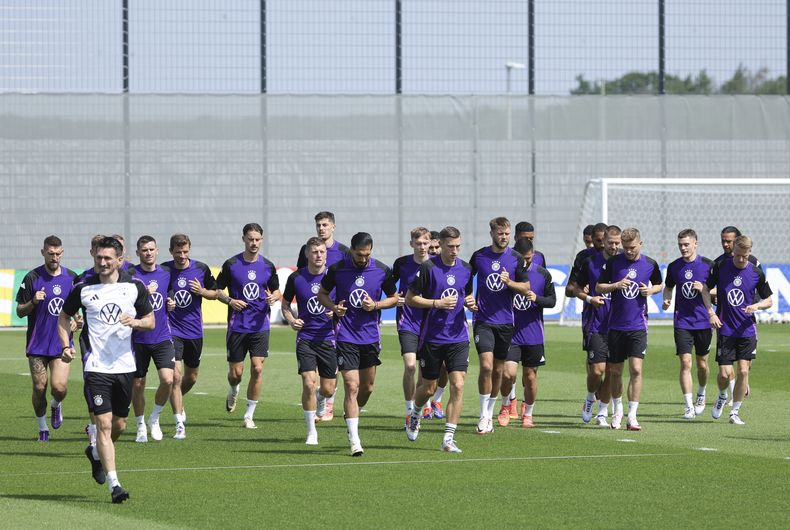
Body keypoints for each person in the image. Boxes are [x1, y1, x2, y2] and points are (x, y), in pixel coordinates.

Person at [58, 236, 154, 503]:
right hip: (95, 365)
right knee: (102, 423)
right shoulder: (83, 287)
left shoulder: (134, 287)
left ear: (120, 260)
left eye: (108, 258)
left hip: (124, 365)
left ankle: (96, 454)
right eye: (99, 258)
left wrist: (135, 322)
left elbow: (151, 321)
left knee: (119, 425)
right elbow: (64, 316)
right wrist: (65, 345)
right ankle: (115, 485)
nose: (102, 262)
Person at [318, 232, 398, 456]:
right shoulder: (337, 269)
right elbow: (322, 294)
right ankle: (354, 439)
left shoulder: (382, 270)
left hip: (370, 336)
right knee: (351, 386)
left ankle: (352, 413)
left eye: (367, 255)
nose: (363, 259)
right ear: (351, 250)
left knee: (367, 388)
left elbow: (394, 297)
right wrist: (334, 308)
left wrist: (377, 305)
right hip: (345, 336)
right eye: (359, 254)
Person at [404, 226, 476, 452]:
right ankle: (414, 414)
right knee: (427, 387)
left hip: (458, 336)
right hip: (432, 337)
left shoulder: (466, 269)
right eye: (451, 246)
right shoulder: (428, 268)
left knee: (458, 384)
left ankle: (448, 438)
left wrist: (471, 303)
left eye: (458, 246)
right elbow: (410, 298)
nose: (455, 251)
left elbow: (467, 295)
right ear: (441, 245)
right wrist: (436, 303)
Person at [215, 223, 281, 429]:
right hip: (237, 326)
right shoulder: (232, 264)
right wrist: (230, 301)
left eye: (258, 239)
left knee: (258, 368)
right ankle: (233, 391)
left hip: (260, 325)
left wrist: (273, 297)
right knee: (236, 373)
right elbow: (217, 290)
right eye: (250, 239)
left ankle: (249, 415)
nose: (254, 243)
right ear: (243, 239)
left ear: (262, 240)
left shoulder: (268, 266)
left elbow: (278, 291)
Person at [597, 227, 663, 431]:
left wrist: (650, 290)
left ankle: (632, 416)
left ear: (640, 244)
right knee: (615, 372)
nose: (628, 251)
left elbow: (660, 285)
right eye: (625, 248)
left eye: (632, 247)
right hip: (615, 326)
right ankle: (618, 410)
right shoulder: (613, 263)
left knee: (636, 369)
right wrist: (615, 285)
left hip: (638, 326)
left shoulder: (650, 264)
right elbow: (599, 286)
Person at [703, 235, 772, 425]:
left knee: (743, 371)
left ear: (749, 253)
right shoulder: (720, 268)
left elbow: (769, 300)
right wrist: (711, 313)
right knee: (725, 374)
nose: (742, 259)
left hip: (747, 329)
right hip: (725, 329)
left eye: (745, 255)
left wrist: (757, 306)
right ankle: (722, 394)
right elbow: (704, 290)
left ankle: (735, 412)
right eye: (738, 255)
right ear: (733, 251)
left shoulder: (756, 273)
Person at [469, 217, 529, 435]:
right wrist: (468, 298)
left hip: (506, 322)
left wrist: (509, 283)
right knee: (486, 366)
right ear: (492, 233)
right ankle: (483, 415)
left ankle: (491, 411)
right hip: (483, 321)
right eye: (500, 233)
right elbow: (466, 278)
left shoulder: (516, 258)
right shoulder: (479, 256)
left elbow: (526, 287)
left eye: (506, 234)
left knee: (498, 371)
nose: (503, 237)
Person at [16, 235, 79, 441]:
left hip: (61, 343)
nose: (54, 257)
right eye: (50, 253)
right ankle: (42, 427)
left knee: (59, 388)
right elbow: (20, 311)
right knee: (39, 387)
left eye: (57, 253)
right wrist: (33, 301)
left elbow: (78, 314)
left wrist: (77, 323)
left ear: (62, 253)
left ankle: (56, 405)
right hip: (37, 344)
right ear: (43, 253)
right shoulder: (32, 277)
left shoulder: (72, 278)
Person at [281, 237, 338, 445]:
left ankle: (323, 399)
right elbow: (285, 305)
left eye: (322, 252)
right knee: (308, 382)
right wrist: (291, 320)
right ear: (307, 254)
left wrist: (336, 313)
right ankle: (311, 431)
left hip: (329, 338)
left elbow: (344, 302)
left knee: (328, 388)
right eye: (314, 252)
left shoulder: (334, 277)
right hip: (305, 338)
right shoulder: (297, 278)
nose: (318, 255)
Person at [163, 233, 218, 439]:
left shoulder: (201, 269)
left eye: (185, 252)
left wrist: (202, 291)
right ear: (171, 252)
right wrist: (167, 302)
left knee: (191, 377)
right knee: (175, 377)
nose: (182, 256)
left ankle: (175, 398)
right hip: (171, 330)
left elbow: (216, 293)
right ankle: (179, 420)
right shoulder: (165, 270)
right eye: (178, 252)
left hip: (194, 331)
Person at [296, 211, 349, 420]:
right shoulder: (306, 249)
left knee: (330, 373)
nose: (321, 228)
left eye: (325, 224)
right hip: (310, 319)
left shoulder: (344, 251)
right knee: (311, 374)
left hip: (335, 318)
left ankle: (327, 399)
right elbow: (303, 277)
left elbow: (346, 282)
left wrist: (334, 305)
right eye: (318, 225)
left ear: (333, 226)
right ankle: (322, 403)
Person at [662, 229, 714, 419]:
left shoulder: (708, 265)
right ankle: (688, 405)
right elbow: (668, 288)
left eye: (686, 245)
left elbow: (719, 291)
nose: (683, 248)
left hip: (703, 322)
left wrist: (706, 289)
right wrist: (666, 300)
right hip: (682, 322)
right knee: (685, 362)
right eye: (680, 245)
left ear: (695, 244)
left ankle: (701, 393)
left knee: (702, 364)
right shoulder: (674, 266)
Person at [505, 238, 556, 428]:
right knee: (508, 373)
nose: (525, 262)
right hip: (510, 333)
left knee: (530, 376)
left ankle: (528, 413)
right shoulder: (508, 273)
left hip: (533, 334)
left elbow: (552, 301)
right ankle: (507, 404)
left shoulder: (542, 274)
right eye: (522, 258)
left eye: (528, 258)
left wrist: (537, 299)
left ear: (532, 255)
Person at [129, 236, 175, 443]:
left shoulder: (166, 273)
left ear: (157, 251)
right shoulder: (129, 275)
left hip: (162, 336)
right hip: (137, 339)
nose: (148, 253)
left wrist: (171, 302)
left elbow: (170, 294)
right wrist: (143, 294)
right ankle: (140, 424)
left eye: (151, 249)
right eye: (144, 250)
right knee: (137, 384)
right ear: (138, 253)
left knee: (168, 379)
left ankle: (154, 418)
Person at [576, 225, 621, 426]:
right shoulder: (590, 263)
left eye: (616, 243)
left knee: (612, 371)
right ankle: (589, 399)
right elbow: (575, 288)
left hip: (620, 327)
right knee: (597, 371)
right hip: (597, 324)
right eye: (609, 242)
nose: (613, 246)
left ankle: (602, 412)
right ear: (603, 242)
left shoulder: (626, 263)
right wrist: (589, 298)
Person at [713, 226, 761, 403]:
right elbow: (708, 288)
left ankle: (741, 384)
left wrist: (754, 304)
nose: (726, 244)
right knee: (726, 371)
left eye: (730, 241)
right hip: (726, 322)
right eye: (723, 241)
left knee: (744, 367)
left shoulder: (753, 263)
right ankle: (728, 391)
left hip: (746, 319)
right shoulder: (718, 264)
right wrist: (716, 298)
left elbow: (758, 287)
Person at [391, 227, 432, 425]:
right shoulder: (402, 264)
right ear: (411, 244)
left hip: (430, 324)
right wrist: (393, 299)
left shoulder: (435, 265)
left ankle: (422, 404)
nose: (422, 247)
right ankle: (409, 409)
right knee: (410, 366)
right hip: (407, 322)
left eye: (425, 243)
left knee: (426, 371)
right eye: (418, 243)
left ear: (431, 243)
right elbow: (388, 286)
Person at [425, 229, 449, 418]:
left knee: (447, 368)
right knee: (421, 368)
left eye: (436, 247)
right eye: (430, 247)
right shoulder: (424, 268)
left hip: (448, 327)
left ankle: (437, 399)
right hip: (424, 325)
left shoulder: (451, 267)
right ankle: (424, 404)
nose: (433, 250)